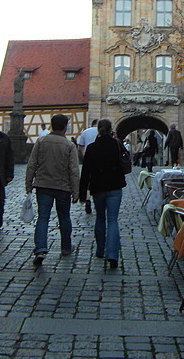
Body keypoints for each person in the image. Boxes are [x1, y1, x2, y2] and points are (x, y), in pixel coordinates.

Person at [25, 113, 80, 267]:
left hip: (43, 186)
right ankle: (66, 247)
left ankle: (40, 249)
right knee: (64, 217)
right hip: (63, 187)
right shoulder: (69, 145)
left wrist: (29, 184)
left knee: (43, 218)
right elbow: (74, 170)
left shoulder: (41, 141)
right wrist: (76, 192)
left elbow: (32, 164)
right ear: (65, 127)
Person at [79, 119, 126, 269]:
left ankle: (100, 250)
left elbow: (85, 172)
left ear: (98, 130)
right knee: (113, 220)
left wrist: (82, 193)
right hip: (115, 186)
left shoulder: (92, 148)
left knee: (100, 218)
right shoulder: (116, 144)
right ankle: (112, 255)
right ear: (111, 129)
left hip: (98, 187)